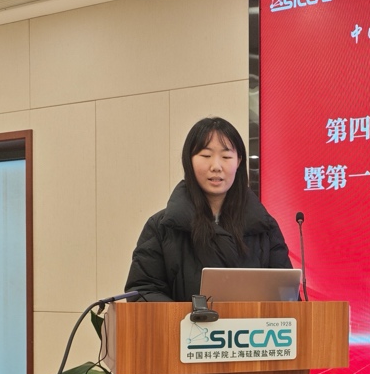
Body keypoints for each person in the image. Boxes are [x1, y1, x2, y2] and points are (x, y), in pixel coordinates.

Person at [125, 117, 292, 302]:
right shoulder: (161, 227)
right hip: (183, 322)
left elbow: (286, 295)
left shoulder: (265, 228)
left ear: (238, 161)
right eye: (206, 156)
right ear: (189, 160)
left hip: (252, 323)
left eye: (226, 157)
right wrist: (188, 317)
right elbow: (143, 292)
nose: (216, 166)